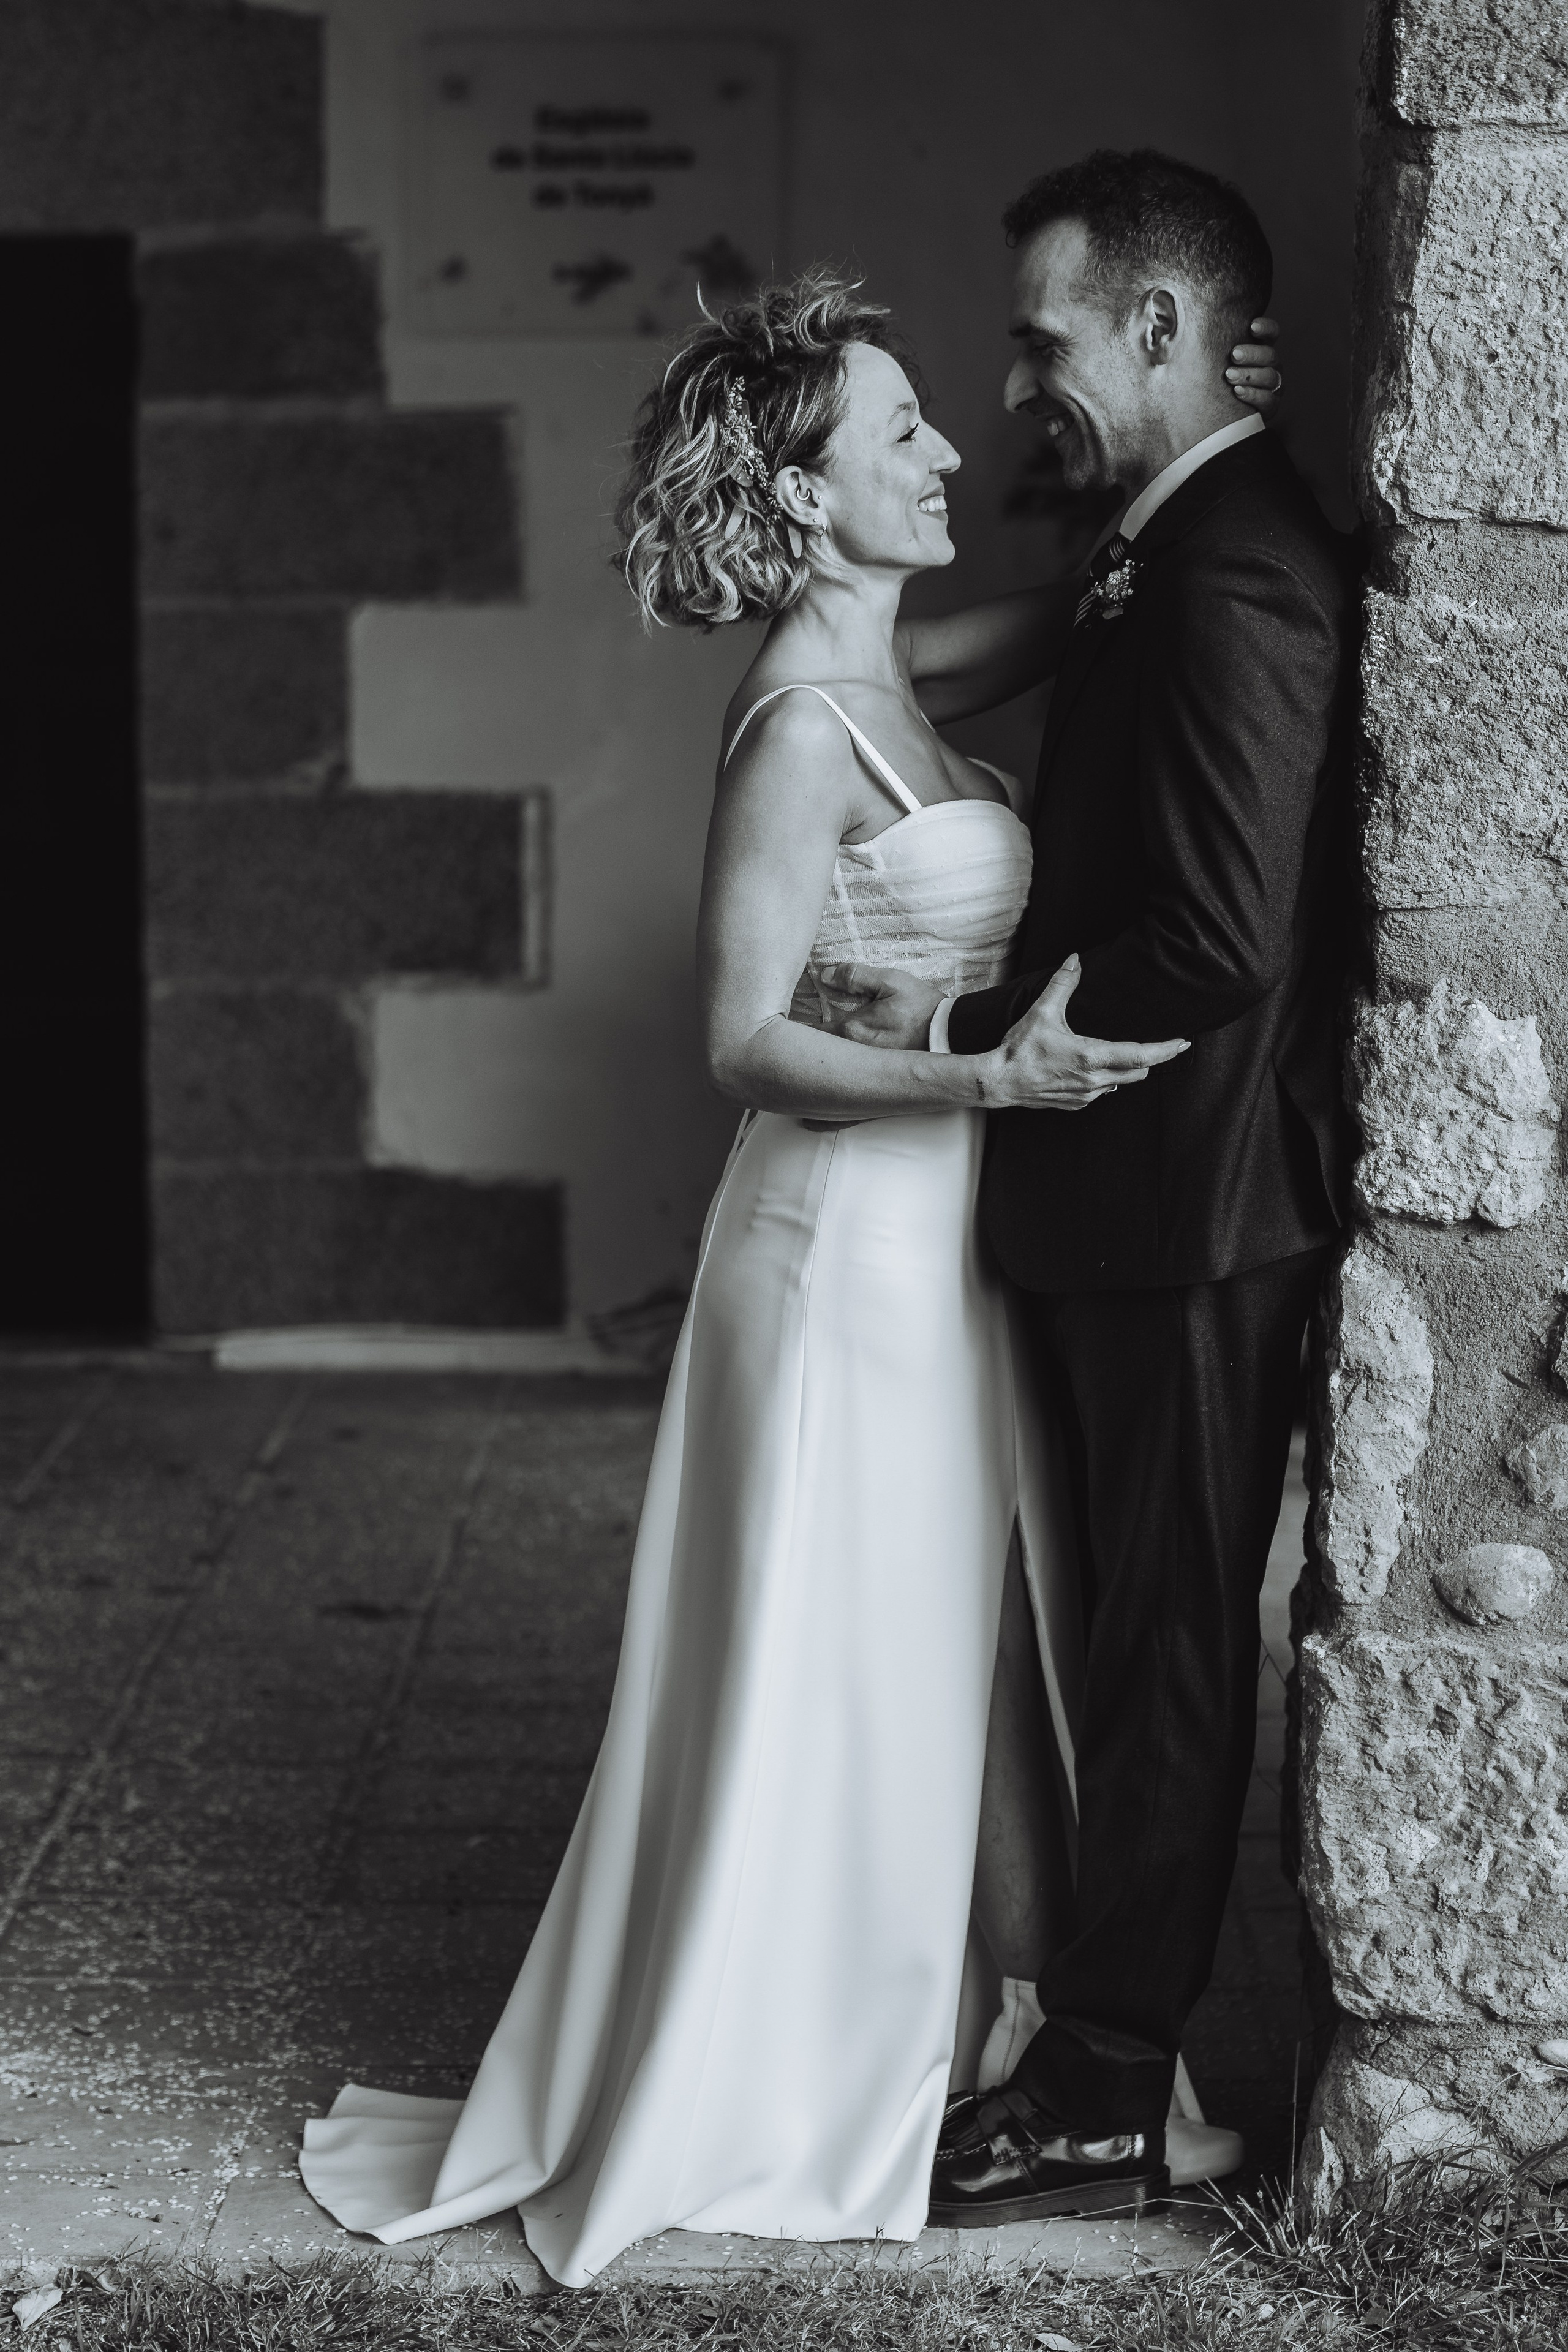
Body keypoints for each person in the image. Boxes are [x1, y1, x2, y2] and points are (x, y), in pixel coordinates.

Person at [297, 250, 1283, 2283]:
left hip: (939, 1245)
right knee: (825, 1643)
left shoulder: (913, 672)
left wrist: (1212, 453)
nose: (951, 447)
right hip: (838, 1236)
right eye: (905, 429)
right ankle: (771, 2065)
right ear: (810, 496)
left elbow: (1114, 608)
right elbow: (741, 1038)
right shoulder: (792, 732)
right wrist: (992, 1075)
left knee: (941, 1646)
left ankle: (945, 2037)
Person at [832, 151, 1353, 2226]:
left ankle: (1116, 2087)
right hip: (1138, 1200)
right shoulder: (1170, 539)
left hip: (1181, 1199)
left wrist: (995, 1052)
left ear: (1158, 328)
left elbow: (1220, 930)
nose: (1022, 375)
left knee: (1159, 1651)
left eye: (1048, 337)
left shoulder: (1227, 562)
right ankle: (1098, 2053)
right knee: (1125, 1630)